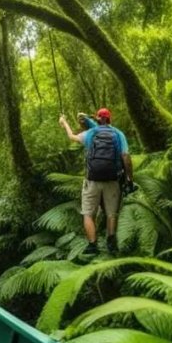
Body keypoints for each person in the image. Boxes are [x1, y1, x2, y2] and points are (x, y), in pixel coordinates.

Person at [59, 108, 132, 256]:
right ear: (110, 119)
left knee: (88, 214)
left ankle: (92, 245)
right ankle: (111, 243)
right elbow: (125, 156)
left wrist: (64, 122)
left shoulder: (91, 134)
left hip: (92, 181)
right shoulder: (118, 134)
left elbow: (72, 136)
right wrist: (129, 178)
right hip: (112, 180)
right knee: (112, 213)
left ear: (97, 120)